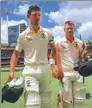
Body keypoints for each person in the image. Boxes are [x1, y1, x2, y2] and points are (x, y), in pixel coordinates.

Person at [8, 5, 63, 108]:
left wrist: (58, 67)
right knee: (32, 103)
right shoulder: (23, 35)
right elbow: (15, 54)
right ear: (28, 16)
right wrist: (11, 72)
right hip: (30, 70)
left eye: (39, 15)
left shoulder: (47, 33)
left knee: (46, 103)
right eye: (34, 15)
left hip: (45, 69)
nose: (37, 17)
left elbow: (55, 50)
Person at [49, 21, 86, 108]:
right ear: (64, 30)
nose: (69, 30)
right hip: (65, 73)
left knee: (79, 100)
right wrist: (53, 69)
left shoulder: (80, 43)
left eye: (71, 29)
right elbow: (51, 55)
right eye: (67, 28)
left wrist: (82, 53)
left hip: (78, 73)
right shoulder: (59, 42)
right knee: (66, 102)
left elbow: (82, 58)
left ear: (74, 30)